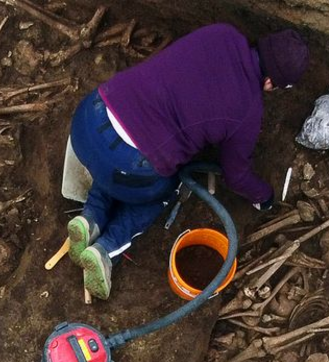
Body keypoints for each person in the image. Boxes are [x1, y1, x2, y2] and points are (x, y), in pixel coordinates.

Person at [65, 24, 310, 299]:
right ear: (270, 83)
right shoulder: (249, 111)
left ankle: (90, 219)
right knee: (161, 189)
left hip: (90, 116)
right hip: (130, 164)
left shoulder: (223, 33)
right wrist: (264, 197)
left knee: (113, 160)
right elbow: (236, 175)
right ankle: (106, 248)